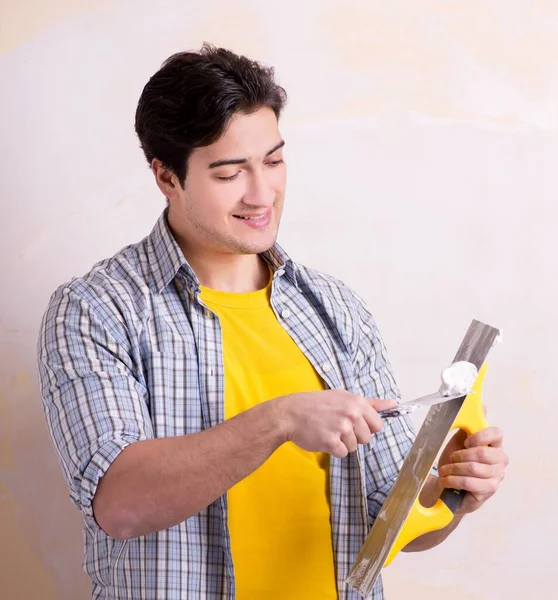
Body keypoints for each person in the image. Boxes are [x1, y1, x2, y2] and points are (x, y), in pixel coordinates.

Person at [37, 44, 508, 600]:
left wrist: (451, 494)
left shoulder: (335, 309)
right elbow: (120, 505)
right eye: (231, 172)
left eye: (274, 161)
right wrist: (278, 421)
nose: (262, 194)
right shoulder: (98, 309)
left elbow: (389, 516)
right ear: (166, 177)